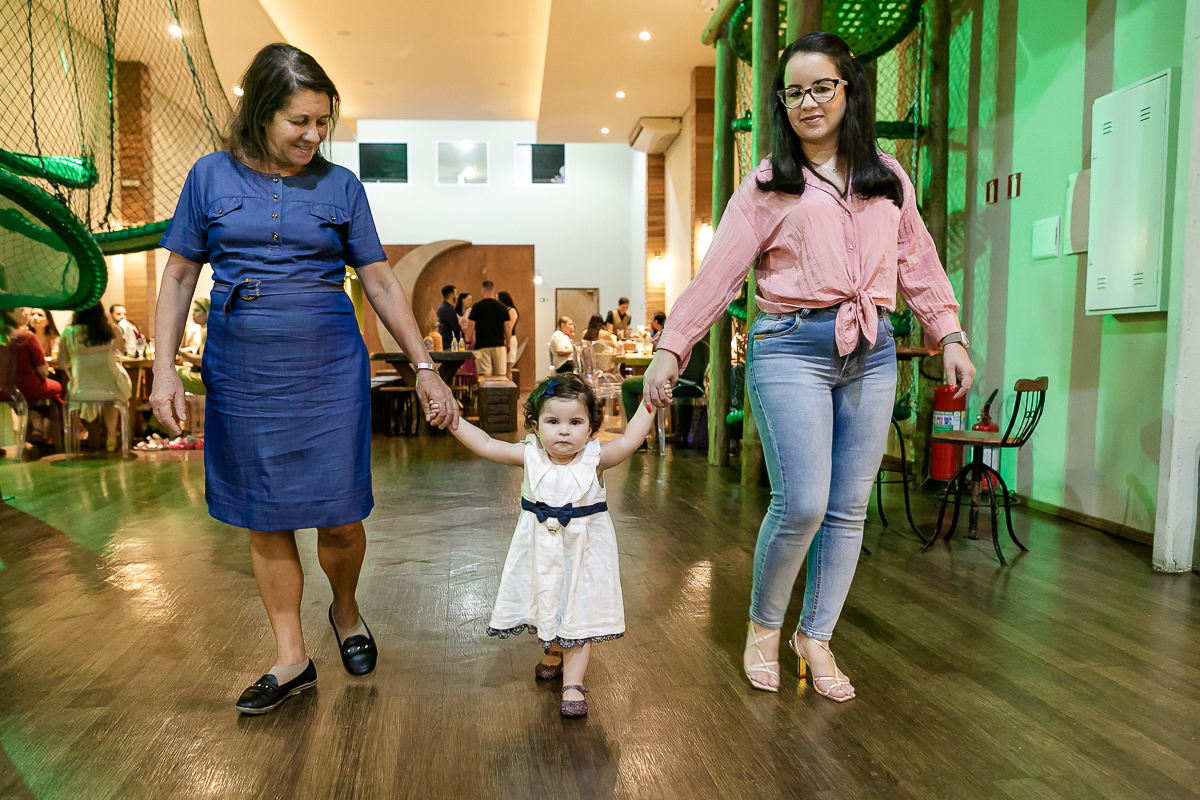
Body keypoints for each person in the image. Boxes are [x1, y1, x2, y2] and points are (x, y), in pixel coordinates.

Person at [643, 32, 974, 701]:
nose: (807, 102)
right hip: (790, 346)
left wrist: (950, 333)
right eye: (794, 91)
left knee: (850, 509)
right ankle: (765, 627)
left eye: (821, 86)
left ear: (849, 89)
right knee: (804, 504)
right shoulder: (768, 183)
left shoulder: (887, 176)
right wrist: (671, 347)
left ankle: (815, 636)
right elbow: (719, 275)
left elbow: (918, 260)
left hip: (872, 353)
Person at [150, 43, 458, 715]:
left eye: (323, 122)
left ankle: (345, 611)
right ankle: (292, 657)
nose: (314, 136)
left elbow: (378, 279)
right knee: (267, 517)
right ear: (261, 113)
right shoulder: (209, 177)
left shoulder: (340, 186)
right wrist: (162, 369)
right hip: (242, 371)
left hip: (326, 368)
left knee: (340, 515)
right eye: (300, 122)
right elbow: (178, 276)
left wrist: (426, 367)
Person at [437, 373, 656, 717]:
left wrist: (650, 403)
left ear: (590, 427)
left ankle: (573, 682)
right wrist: (454, 421)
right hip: (540, 551)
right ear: (536, 426)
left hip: (584, 554)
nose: (564, 430)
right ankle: (554, 649)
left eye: (575, 422)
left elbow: (629, 440)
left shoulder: (595, 459)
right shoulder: (529, 456)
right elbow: (485, 443)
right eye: (553, 421)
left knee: (577, 609)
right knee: (549, 600)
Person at [58, 304, 133, 451]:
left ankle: (86, 441)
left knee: (83, 388)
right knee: (112, 396)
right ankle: (111, 436)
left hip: (81, 390)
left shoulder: (69, 332)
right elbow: (121, 352)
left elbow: (61, 362)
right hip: (111, 389)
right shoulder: (112, 331)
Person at [1, 308, 65, 444]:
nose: (27, 314)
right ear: (9, 313)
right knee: (58, 387)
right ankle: (45, 431)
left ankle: (37, 429)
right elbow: (43, 371)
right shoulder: (27, 336)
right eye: (22, 310)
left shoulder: (2, 336)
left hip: (4, 389)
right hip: (28, 387)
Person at [466, 281, 512, 378]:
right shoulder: (502, 307)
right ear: (493, 290)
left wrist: (467, 341)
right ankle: (499, 393)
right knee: (500, 376)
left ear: (482, 291)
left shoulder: (477, 307)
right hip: (499, 345)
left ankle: (486, 393)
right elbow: (507, 328)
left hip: (482, 346)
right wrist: (508, 343)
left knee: (485, 376)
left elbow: (470, 326)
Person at [177, 299, 208, 396]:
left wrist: (180, 352)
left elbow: (202, 362)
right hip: (213, 378)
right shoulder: (206, 328)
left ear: (206, 312)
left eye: (197, 310)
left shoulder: (206, 331)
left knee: (171, 372)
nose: (192, 314)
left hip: (206, 380)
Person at [497, 290, 520, 375]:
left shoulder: (511, 310)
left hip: (509, 339)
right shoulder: (501, 310)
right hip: (502, 339)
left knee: (507, 368)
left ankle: (509, 388)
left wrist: (507, 340)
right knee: (501, 368)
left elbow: (509, 326)